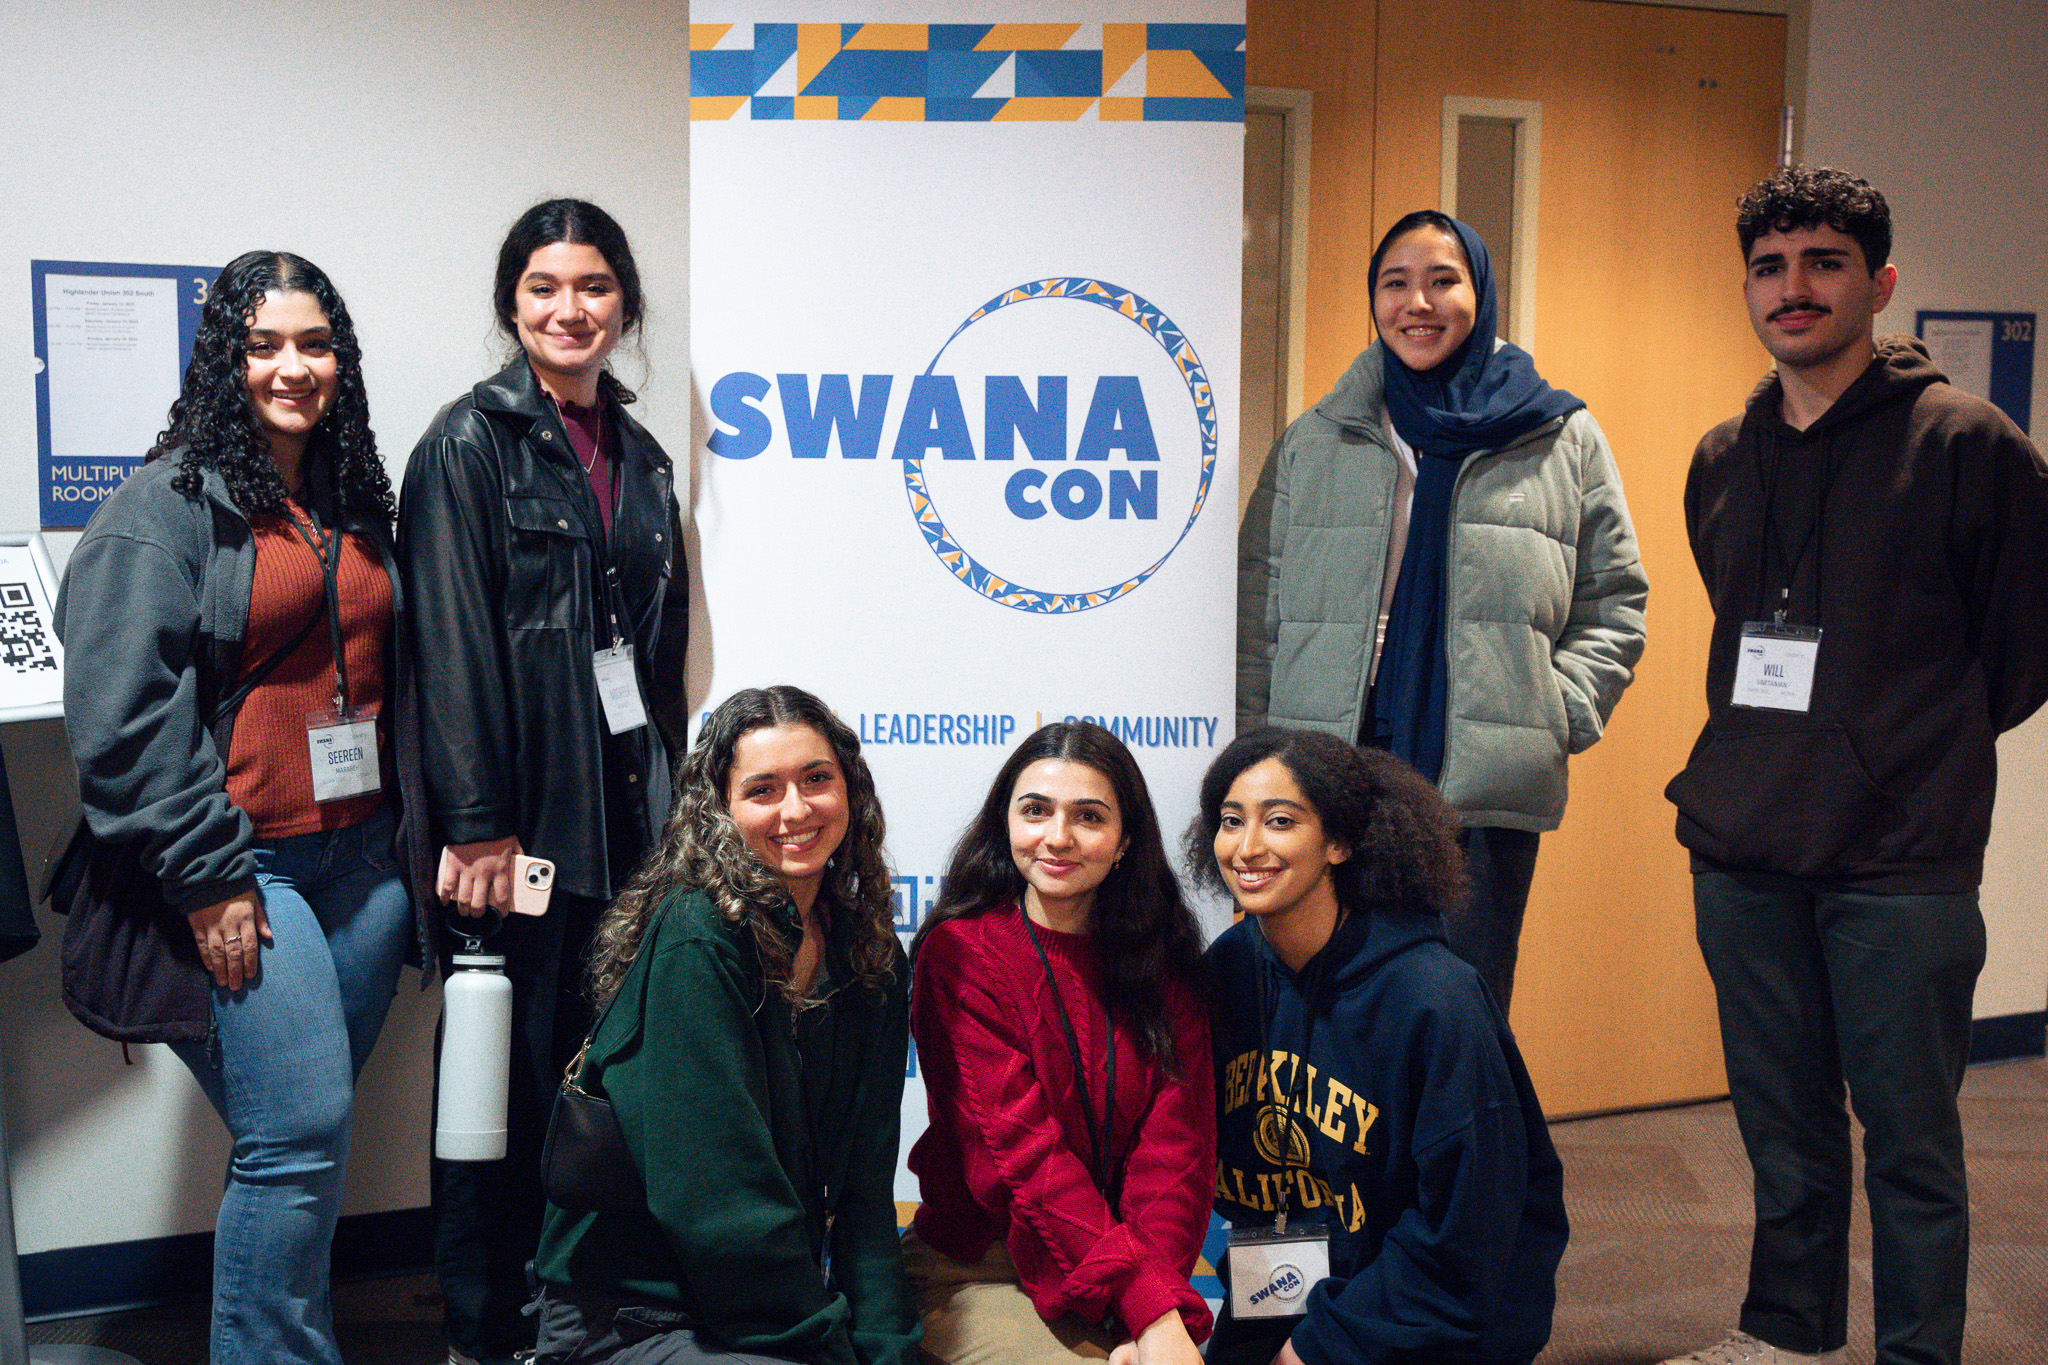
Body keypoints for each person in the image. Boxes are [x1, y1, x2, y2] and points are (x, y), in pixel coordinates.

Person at [1660, 168, 2048, 1365]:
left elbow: (2022, 648)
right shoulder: (1722, 456)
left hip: (1898, 858)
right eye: (1768, 267)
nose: (1792, 288)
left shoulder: (1966, 444)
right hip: (1742, 846)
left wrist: (1901, 745)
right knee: (1781, 1131)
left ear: (1876, 284)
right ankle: (1785, 1334)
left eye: (1822, 263)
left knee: (1910, 1146)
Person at [55, 250, 431, 1365]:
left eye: (314, 344)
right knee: (298, 1136)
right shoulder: (160, 510)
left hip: (361, 868)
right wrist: (209, 876)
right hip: (246, 871)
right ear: (226, 360)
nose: (291, 367)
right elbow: (123, 723)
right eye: (263, 345)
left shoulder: (349, 496)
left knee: (300, 1138)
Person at [398, 198, 689, 1365]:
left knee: (596, 1085)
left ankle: (578, 1316)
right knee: (499, 1089)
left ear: (624, 304)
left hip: (626, 832)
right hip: (516, 837)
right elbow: (449, 645)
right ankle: (485, 1330)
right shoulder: (466, 446)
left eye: (593, 286)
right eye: (543, 287)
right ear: (510, 305)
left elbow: (653, 666)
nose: (570, 309)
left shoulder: (642, 456)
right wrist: (477, 825)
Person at [1237, 210, 1647, 1010]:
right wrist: (1261, 748)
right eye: (1395, 283)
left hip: (1480, 778)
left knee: (1457, 1005)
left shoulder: (1558, 435)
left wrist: (1552, 711)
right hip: (1330, 766)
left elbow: (1614, 599)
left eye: (1441, 280)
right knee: (1319, 999)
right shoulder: (1319, 437)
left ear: (1480, 293)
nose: (1417, 303)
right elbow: (1260, 598)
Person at [530, 685, 917, 1365]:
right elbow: (718, 1207)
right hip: (631, 1315)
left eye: (817, 779)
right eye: (763, 790)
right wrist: (828, 1351)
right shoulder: (699, 936)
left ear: (850, 790)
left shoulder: (871, 956)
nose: (796, 810)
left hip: (759, 1311)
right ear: (720, 810)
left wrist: (888, 1351)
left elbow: (865, 1199)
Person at [1192, 727, 1566, 1365]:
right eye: (1232, 821)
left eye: (1279, 821)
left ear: (1338, 842)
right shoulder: (1228, 970)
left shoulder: (1434, 999)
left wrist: (1319, 1348)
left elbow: (1464, 1236)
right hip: (1282, 1295)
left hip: (1426, 1318)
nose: (1247, 847)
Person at [903, 722, 1214, 1365]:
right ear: (1005, 823)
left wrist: (1147, 1310)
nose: (1058, 836)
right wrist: (1148, 1308)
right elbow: (1021, 1162)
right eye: (1036, 811)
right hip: (982, 1267)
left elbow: (1175, 1158)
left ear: (1126, 840)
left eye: (1089, 816)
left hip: (1126, 1267)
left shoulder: (1165, 962)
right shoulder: (963, 954)